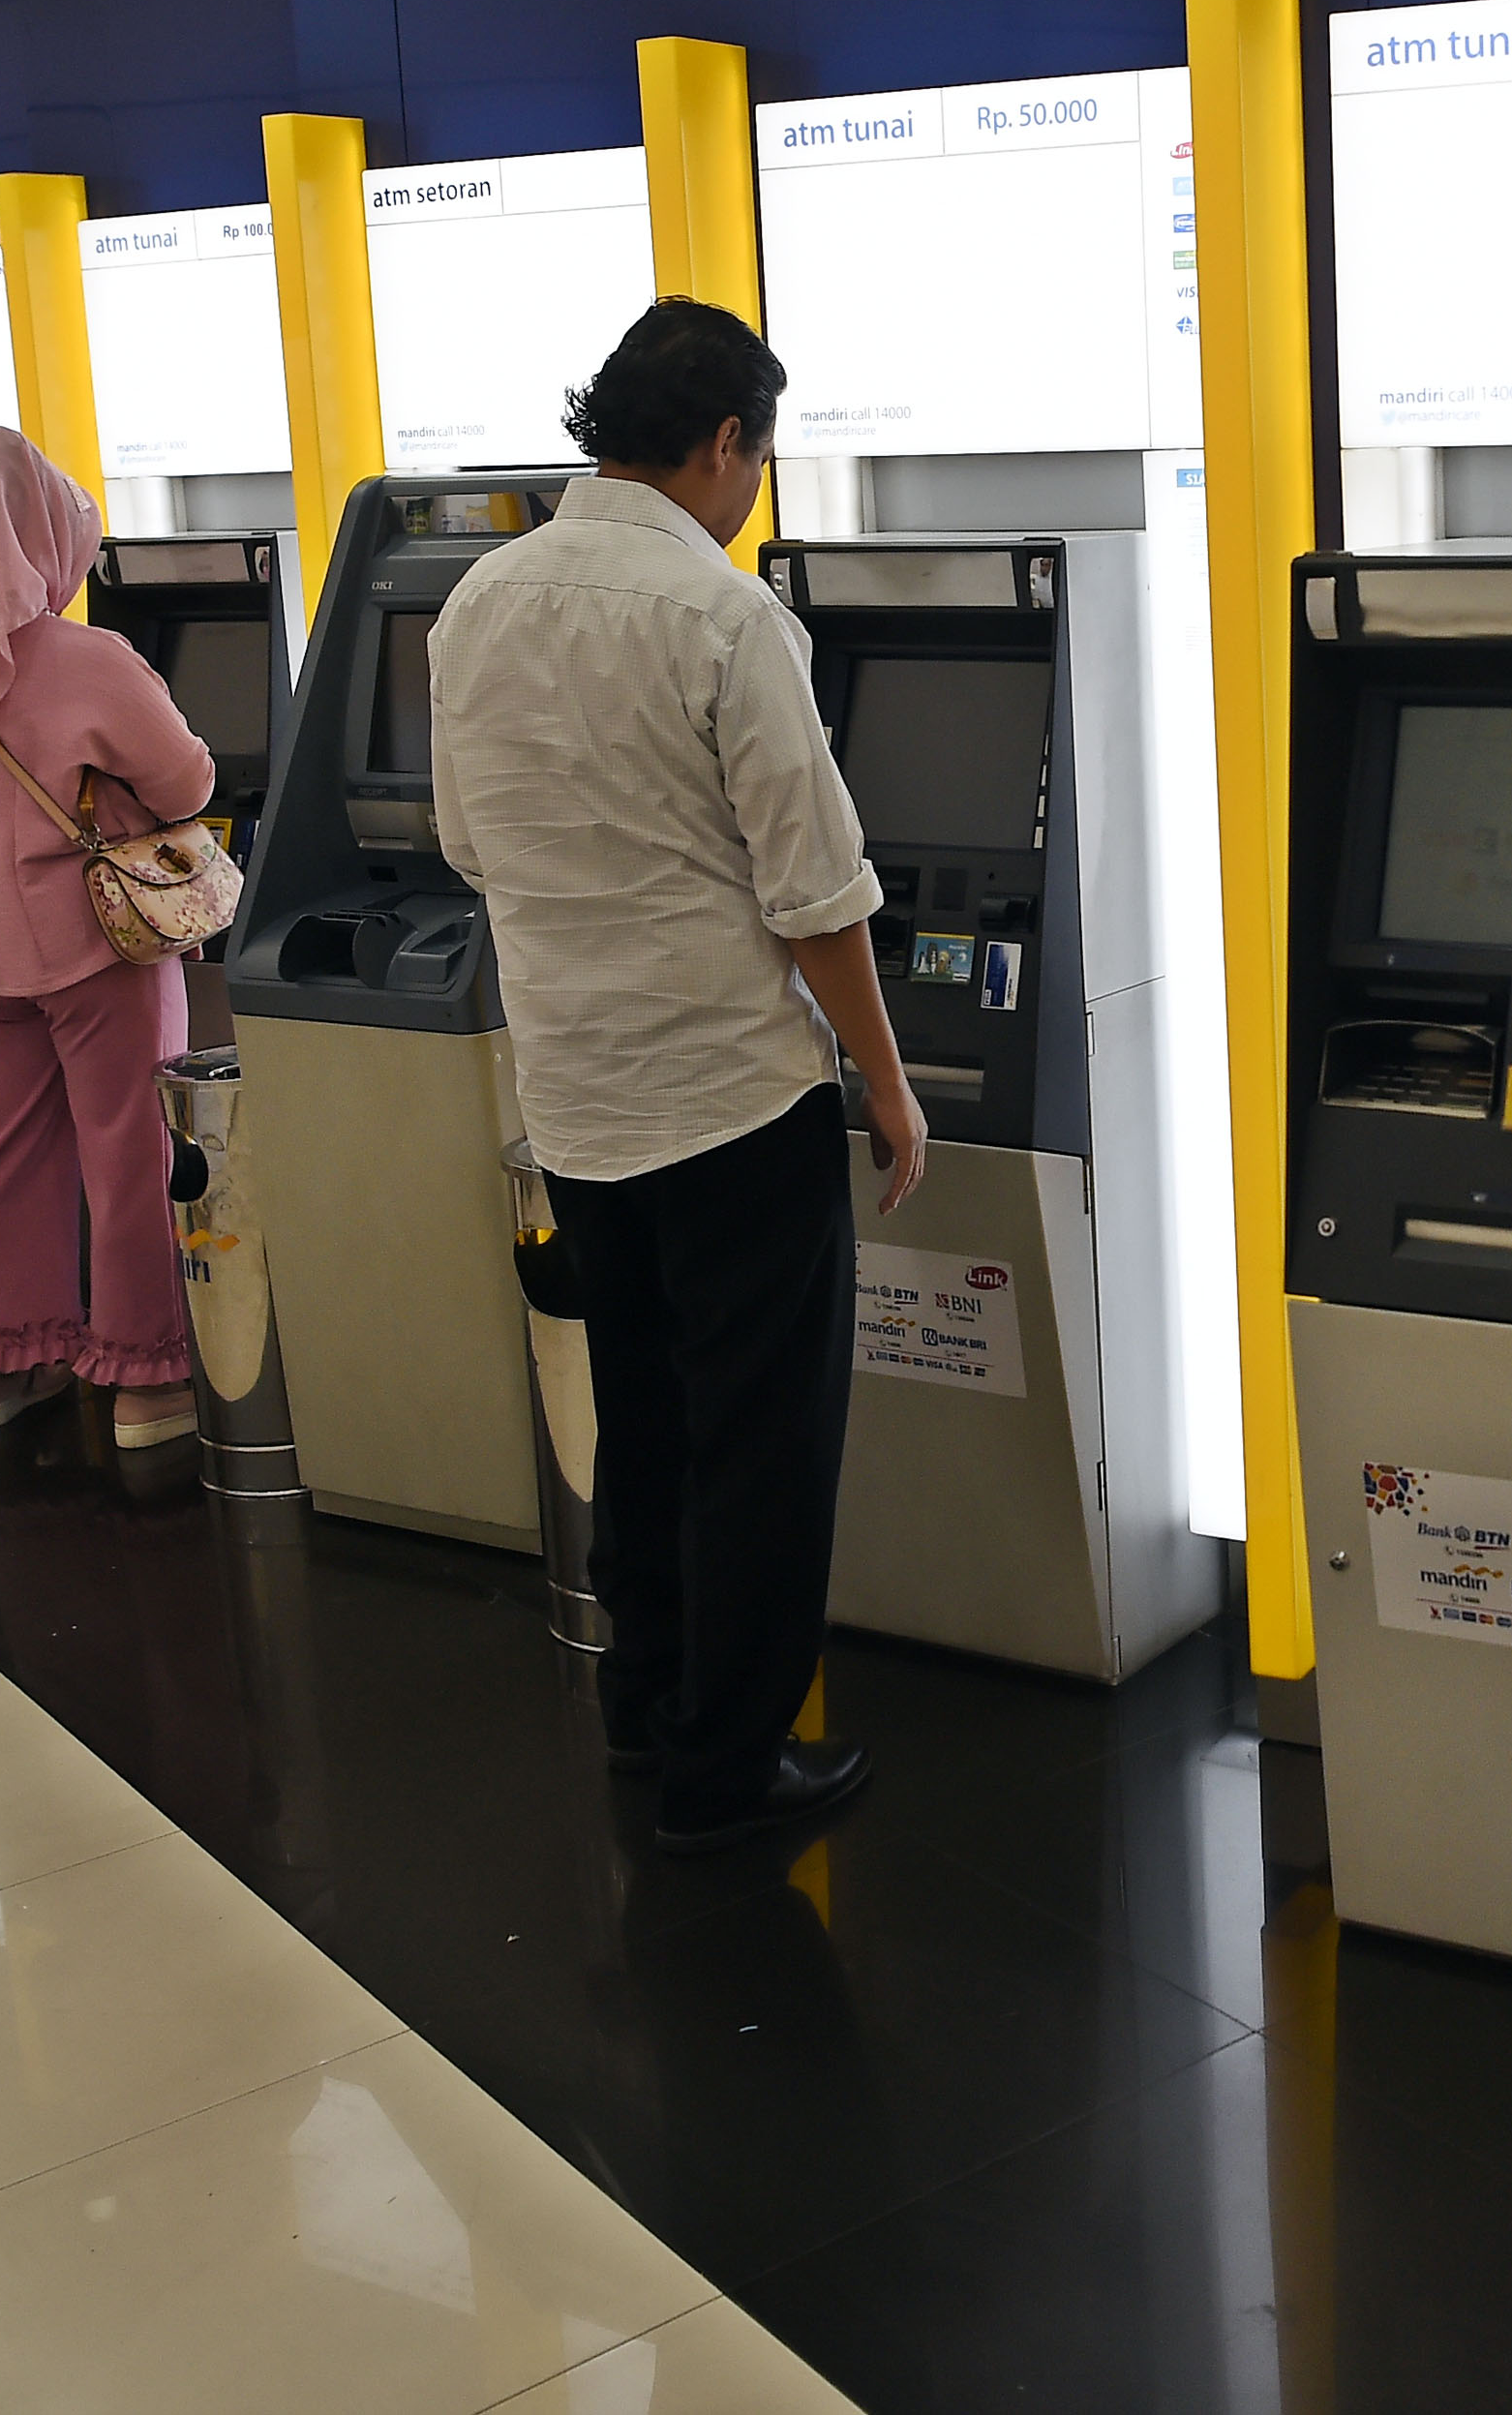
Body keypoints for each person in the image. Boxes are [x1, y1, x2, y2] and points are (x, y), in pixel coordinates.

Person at [428, 299, 928, 1858]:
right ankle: (733, 1764)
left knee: (638, 1417)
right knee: (763, 1439)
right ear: (724, 443)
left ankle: (645, 1708)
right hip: (728, 1104)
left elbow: (463, 845)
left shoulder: (475, 605)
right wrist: (888, 1086)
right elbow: (817, 891)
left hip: (578, 1099)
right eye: (757, 460)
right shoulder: (726, 620)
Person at [0, 423, 209, 1450]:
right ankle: (147, 1381)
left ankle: (3, 1369)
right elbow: (187, 779)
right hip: (97, 945)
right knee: (128, 1148)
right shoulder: (84, 659)